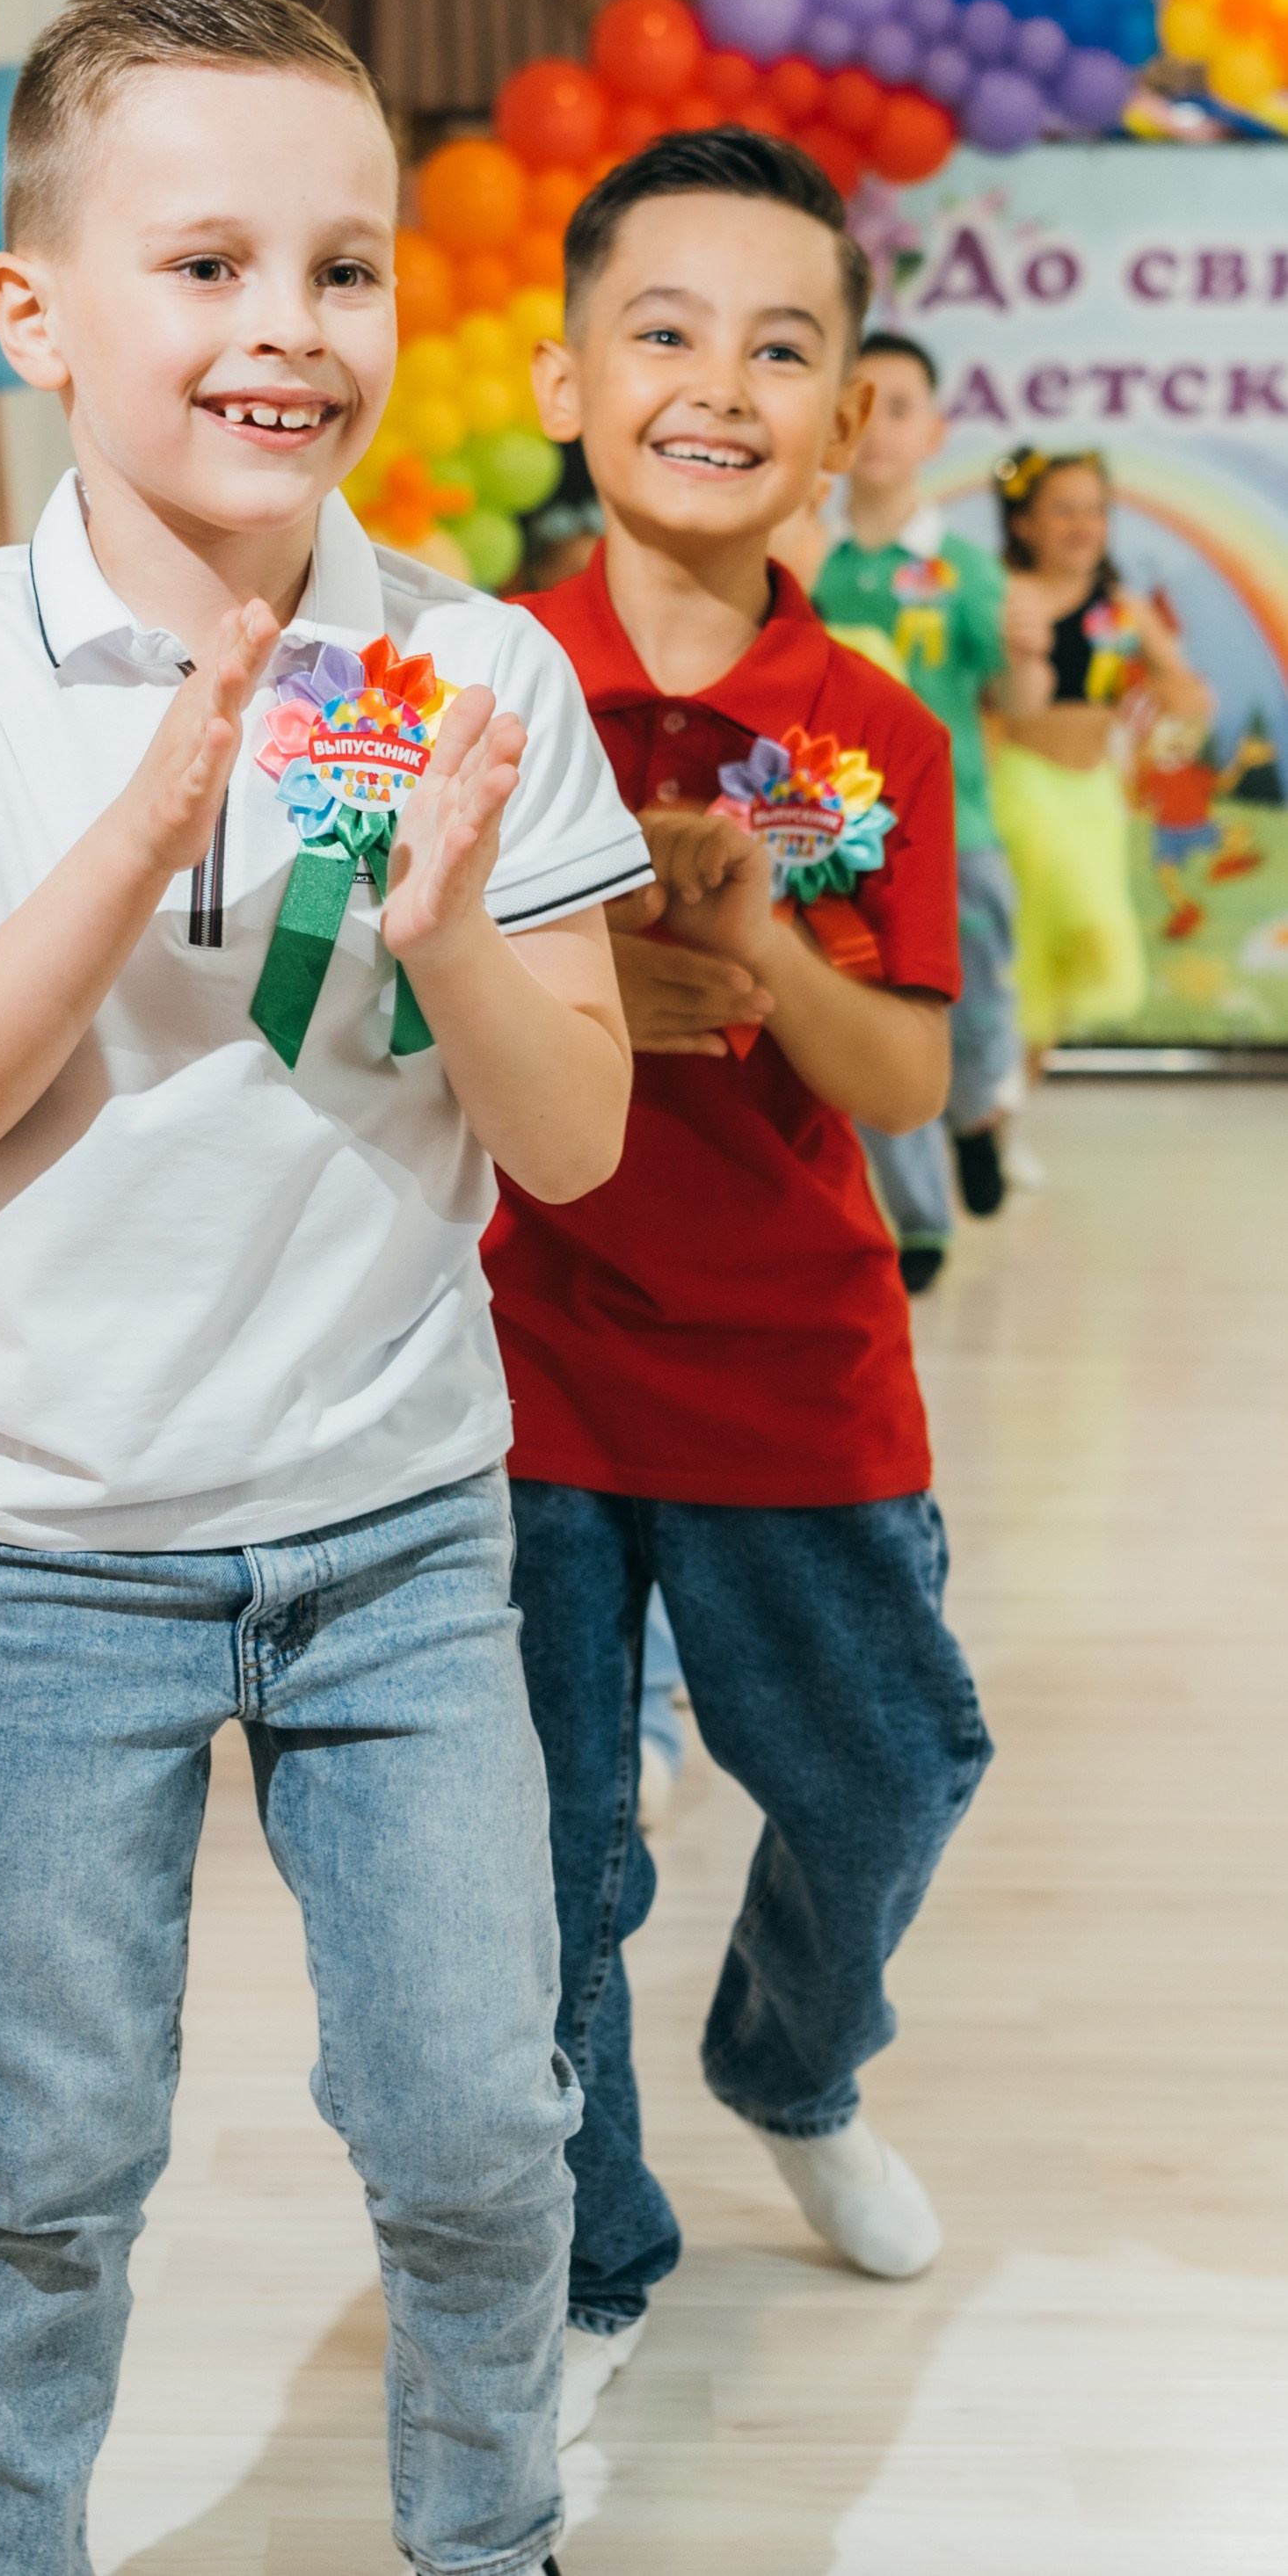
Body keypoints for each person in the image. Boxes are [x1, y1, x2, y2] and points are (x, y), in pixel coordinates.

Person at [0, 0, 664, 2576]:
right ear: (30, 308)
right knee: (38, 2164)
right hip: (53, 1566)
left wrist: (451, 932)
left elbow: (576, 1137)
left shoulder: (472, 673)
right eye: (205, 260)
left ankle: (481, 2544)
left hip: (398, 1542)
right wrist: (157, 783)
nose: (291, 323)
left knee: (484, 2136)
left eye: (344, 264)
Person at [484, 125, 993, 2446]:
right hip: (508, 1361)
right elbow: (334, 1013)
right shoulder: (458, 693)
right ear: (566, 372)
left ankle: (788, 2059)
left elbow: (906, 1064)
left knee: (890, 1769)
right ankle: (589, 2247)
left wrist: (764, 943)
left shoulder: (868, 727)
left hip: (798, 1364)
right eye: (660, 330)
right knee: (549, 1850)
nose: (717, 380)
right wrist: (570, 947)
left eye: (777, 341)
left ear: (839, 403)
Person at [812, 332, 1019, 1292]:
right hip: (844, 848)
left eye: (904, 407)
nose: (882, 428)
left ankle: (980, 1116)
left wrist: (1026, 651)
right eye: (865, 405)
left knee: (976, 1015)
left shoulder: (967, 572)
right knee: (878, 1023)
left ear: (934, 431)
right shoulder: (812, 563)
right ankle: (921, 1221)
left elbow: (1014, 700)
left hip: (958, 837)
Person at [992, 446, 1209, 1077]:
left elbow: (1191, 693)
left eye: (1093, 510)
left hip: (1095, 795)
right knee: (1037, 938)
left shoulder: (1124, 607)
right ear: (1024, 523)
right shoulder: (1011, 595)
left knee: (1069, 954)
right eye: (1063, 510)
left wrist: (1174, 695)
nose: (1082, 524)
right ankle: (994, 1101)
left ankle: (1015, 1102)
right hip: (1024, 786)